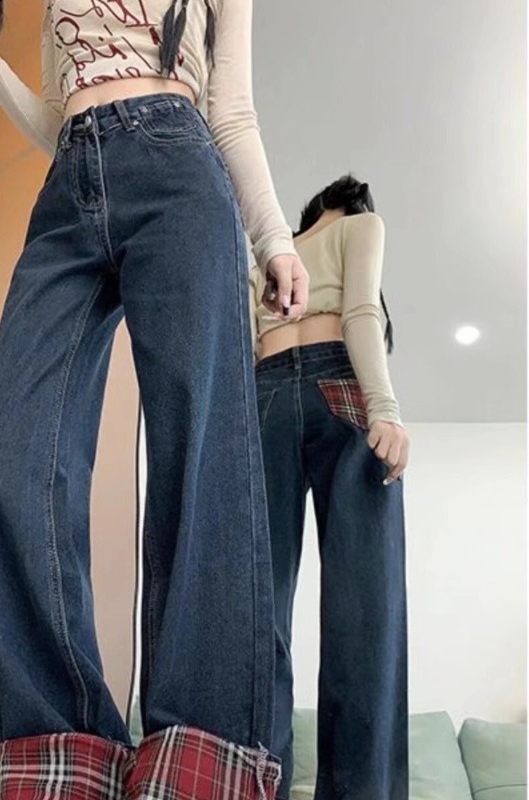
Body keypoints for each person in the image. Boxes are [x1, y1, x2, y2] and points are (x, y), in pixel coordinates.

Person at [0, 1, 310, 798]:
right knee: (5, 457)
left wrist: (274, 239)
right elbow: (56, 120)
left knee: (200, 446)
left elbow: (231, 109)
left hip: (178, 168)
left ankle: (201, 752)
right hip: (67, 191)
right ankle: (66, 750)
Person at [250, 175, 409, 800]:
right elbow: (362, 311)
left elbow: (241, 347)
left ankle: (253, 785)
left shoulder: (267, 257)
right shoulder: (361, 226)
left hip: (262, 393)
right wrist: (385, 409)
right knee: (364, 612)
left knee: (258, 616)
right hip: (340, 385)